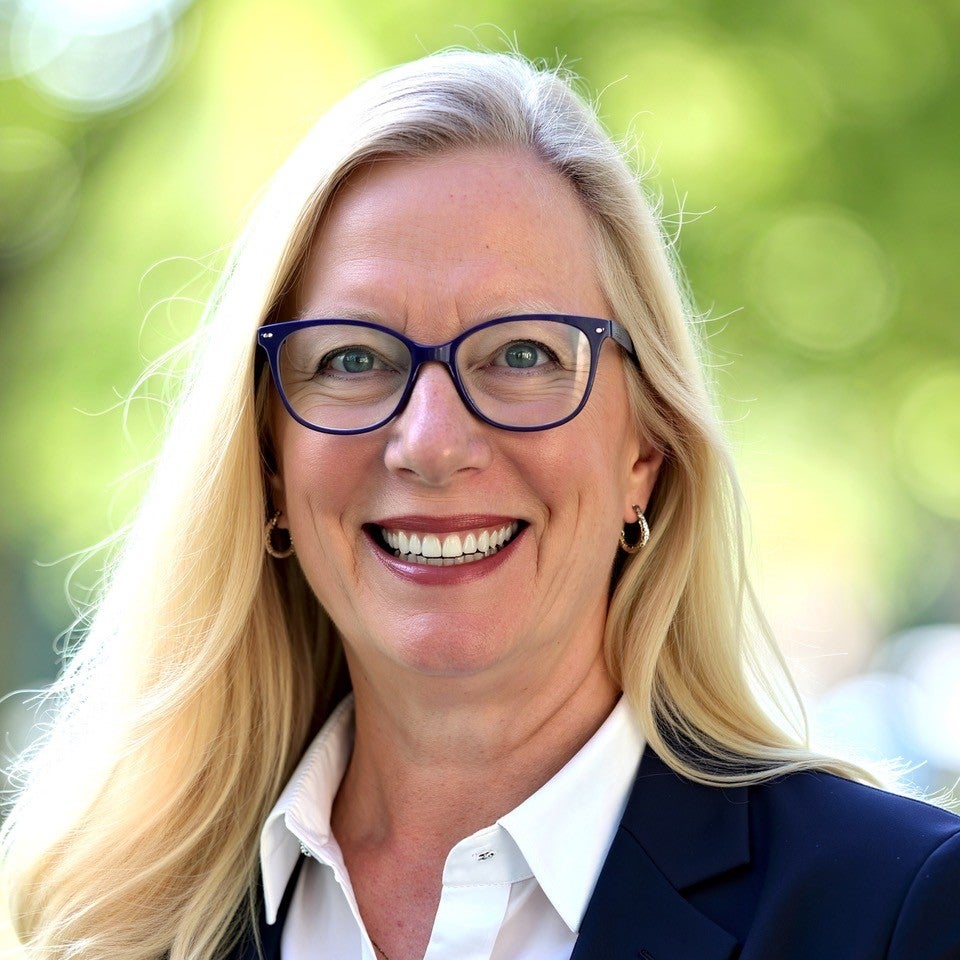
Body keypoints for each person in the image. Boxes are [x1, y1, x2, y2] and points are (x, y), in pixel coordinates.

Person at [2, 49, 959, 960]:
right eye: (353, 358)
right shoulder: (127, 927)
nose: (430, 443)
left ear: (644, 453)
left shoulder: (896, 911)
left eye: (523, 355)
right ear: (270, 464)